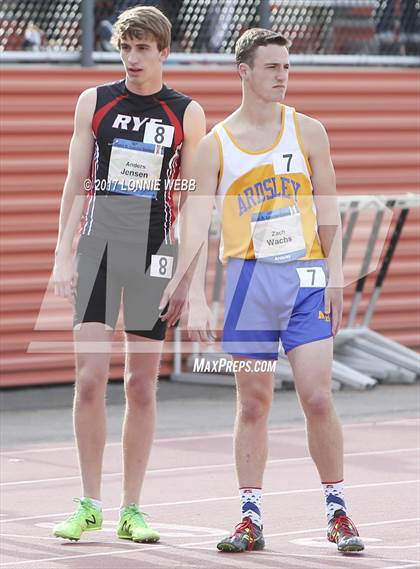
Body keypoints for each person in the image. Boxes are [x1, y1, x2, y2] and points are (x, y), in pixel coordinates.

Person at [162, 28, 365, 554]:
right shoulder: (215, 146)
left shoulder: (309, 131)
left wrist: (336, 276)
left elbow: (328, 210)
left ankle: (338, 512)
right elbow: (196, 224)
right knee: (253, 404)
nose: (282, 75)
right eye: (272, 66)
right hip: (249, 280)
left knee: (318, 397)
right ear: (244, 71)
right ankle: (250, 517)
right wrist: (201, 295)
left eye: (287, 67)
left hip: (305, 276)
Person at [52, 5, 205, 543]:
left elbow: (194, 201)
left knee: (141, 386)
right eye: (125, 48)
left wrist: (185, 278)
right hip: (98, 247)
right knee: (90, 381)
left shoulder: (185, 112)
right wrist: (62, 256)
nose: (133, 59)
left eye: (143, 48)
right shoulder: (94, 102)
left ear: (164, 51)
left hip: (153, 253)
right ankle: (89, 502)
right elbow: (75, 181)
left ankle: (131, 509)